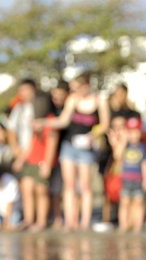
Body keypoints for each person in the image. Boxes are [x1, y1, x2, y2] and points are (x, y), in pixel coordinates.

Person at [45, 72, 108, 230]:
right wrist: (44, 122)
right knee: (69, 185)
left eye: (77, 87)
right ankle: (70, 221)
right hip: (69, 146)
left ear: (87, 85)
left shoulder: (99, 101)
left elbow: (105, 124)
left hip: (86, 147)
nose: (75, 91)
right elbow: (63, 121)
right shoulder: (73, 99)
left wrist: (92, 135)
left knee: (85, 186)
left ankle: (85, 221)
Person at [19, 93, 57, 231]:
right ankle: (28, 219)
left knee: (41, 191)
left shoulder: (50, 121)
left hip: (43, 160)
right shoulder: (35, 120)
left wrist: (47, 164)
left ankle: (41, 221)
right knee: (27, 188)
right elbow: (31, 142)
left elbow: (52, 142)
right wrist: (21, 158)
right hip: (31, 160)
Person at [118, 115, 146, 231]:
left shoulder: (143, 148)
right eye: (131, 132)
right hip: (126, 179)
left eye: (136, 132)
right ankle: (124, 225)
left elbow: (145, 165)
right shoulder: (125, 146)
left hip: (138, 179)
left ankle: (137, 226)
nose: (134, 135)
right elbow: (117, 156)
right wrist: (123, 140)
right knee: (125, 203)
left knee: (138, 203)